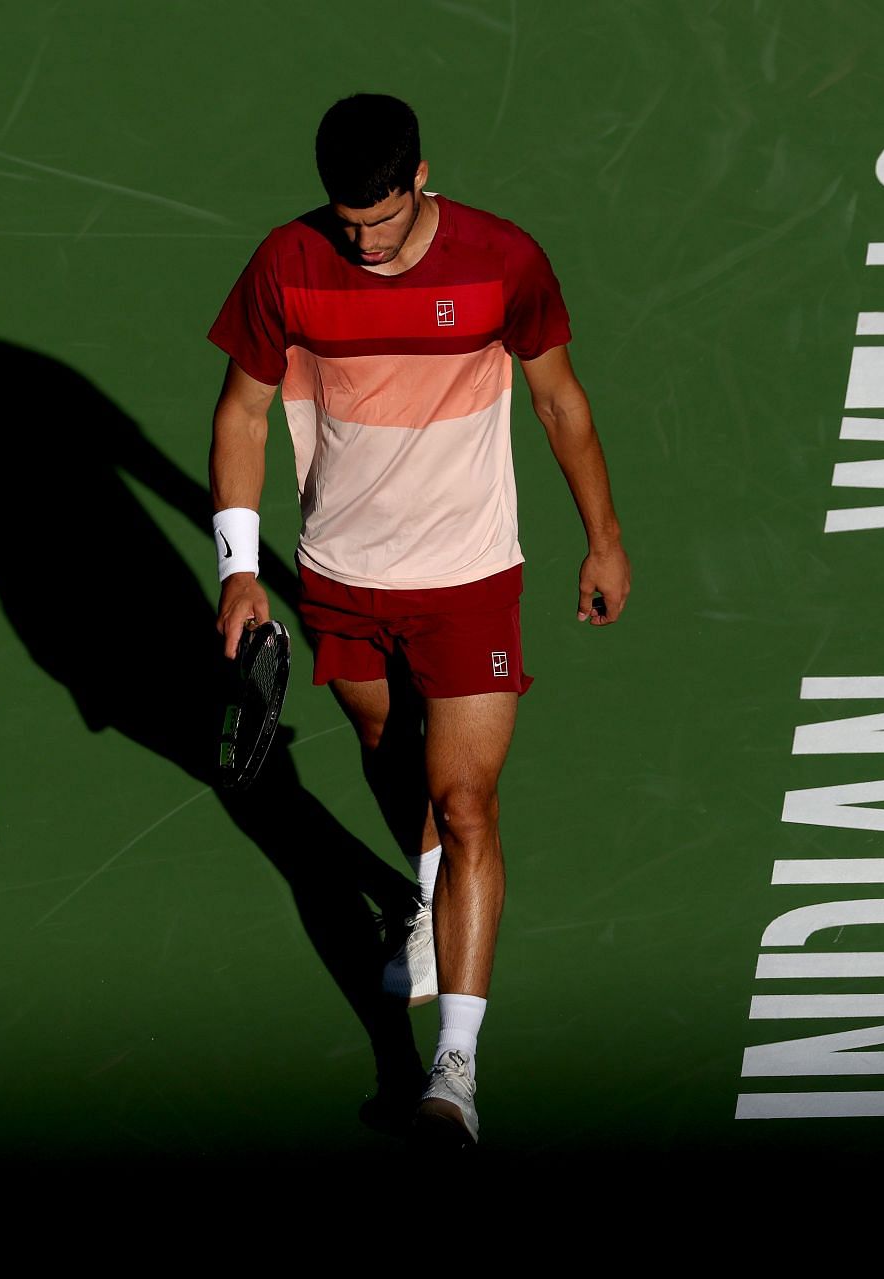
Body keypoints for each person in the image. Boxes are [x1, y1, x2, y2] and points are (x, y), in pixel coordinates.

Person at [205, 93, 630, 1147]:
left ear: (421, 178)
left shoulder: (503, 261)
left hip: (471, 577)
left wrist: (604, 537)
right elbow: (241, 412)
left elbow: (560, 401)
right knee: (390, 757)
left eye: (384, 221)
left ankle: (455, 1071)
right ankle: (429, 901)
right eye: (349, 225)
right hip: (341, 576)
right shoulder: (286, 264)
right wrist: (238, 570)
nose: (367, 243)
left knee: (467, 799)